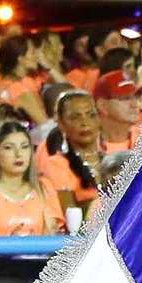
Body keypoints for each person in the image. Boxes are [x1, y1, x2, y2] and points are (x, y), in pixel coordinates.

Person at [0, 118, 63, 237]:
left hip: (37, 255)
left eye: (24, 147)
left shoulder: (44, 187)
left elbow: (50, 239)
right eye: (9, 147)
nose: (18, 154)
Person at [37, 89, 101, 222]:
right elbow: (71, 217)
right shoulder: (56, 164)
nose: (84, 122)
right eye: (75, 117)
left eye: (91, 115)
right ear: (61, 124)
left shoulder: (111, 160)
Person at [93, 68, 142, 152]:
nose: (135, 105)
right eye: (125, 98)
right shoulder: (86, 144)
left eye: (136, 97)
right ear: (102, 105)